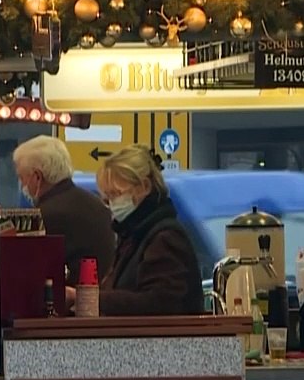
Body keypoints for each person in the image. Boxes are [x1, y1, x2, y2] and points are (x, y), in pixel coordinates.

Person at [67, 145, 202, 316]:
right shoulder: (136, 235)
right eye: (107, 199)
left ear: (144, 187)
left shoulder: (164, 237)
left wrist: (88, 299)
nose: (111, 205)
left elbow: (158, 302)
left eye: (116, 194)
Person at [12, 135, 116, 279]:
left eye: (21, 177)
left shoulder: (43, 217)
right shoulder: (97, 204)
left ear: (37, 177)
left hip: (69, 298)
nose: (22, 184)